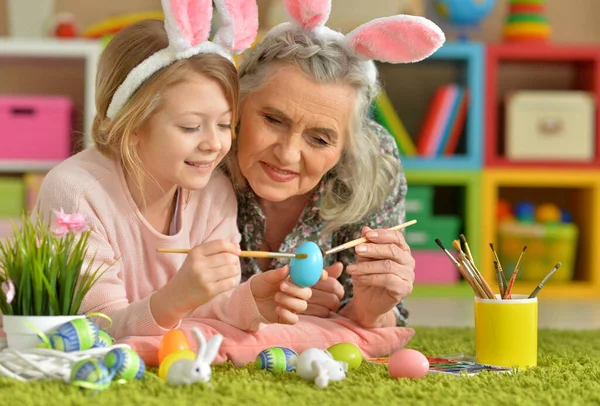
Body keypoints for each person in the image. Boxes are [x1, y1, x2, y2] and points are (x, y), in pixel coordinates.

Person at [22, 0, 310, 339]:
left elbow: (207, 311)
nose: (214, 144)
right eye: (190, 127)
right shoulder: (75, 193)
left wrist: (250, 302)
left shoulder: (214, 193)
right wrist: (174, 299)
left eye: (224, 125)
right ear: (132, 128)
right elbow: (94, 328)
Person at [227, 0, 445, 328]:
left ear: (347, 148)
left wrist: (368, 310)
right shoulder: (204, 148)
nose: (287, 154)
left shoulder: (374, 165)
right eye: (273, 120)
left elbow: (376, 320)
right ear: (238, 105)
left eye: (319, 139)